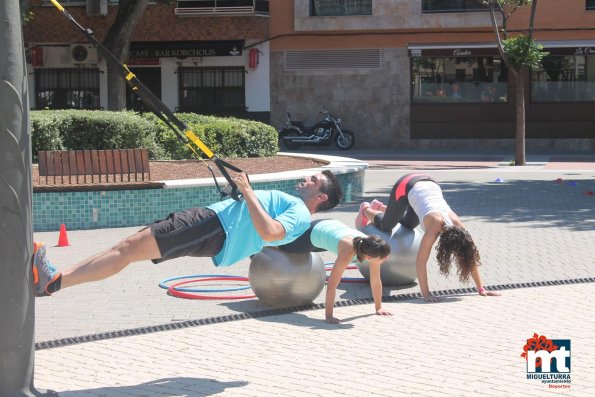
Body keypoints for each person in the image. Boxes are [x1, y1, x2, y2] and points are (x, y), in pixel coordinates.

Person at [32, 170, 343, 297]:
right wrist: (240, 195)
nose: (306, 179)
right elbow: (261, 222)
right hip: (213, 225)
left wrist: (248, 192)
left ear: (322, 197)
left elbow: (272, 233)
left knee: (127, 250)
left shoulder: (301, 213)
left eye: (313, 180)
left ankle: (54, 281)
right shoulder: (294, 205)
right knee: (126, 246)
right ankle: (54, 278)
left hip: (213, 228)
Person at [354, 173, 500, 302]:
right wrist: (426, 294)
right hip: (407, 185)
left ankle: (381, 207)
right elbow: (421, 261)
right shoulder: (434, 227)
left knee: (407, 225)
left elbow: (468, 258)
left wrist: (481, 288)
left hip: (429, 184)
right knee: (387, 225)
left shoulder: (460, 228)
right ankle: (366, 209)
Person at [281, 219, 391, 323]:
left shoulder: (370, 246)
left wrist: (379, 308)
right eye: (383, 258)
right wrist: (329, 316)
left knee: (322, 243)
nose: (386, 259)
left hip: (329, 227)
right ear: (368, 258)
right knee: (284, 246)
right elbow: (332, 285)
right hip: (313, 233)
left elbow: (376, 281)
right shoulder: (348, 252)